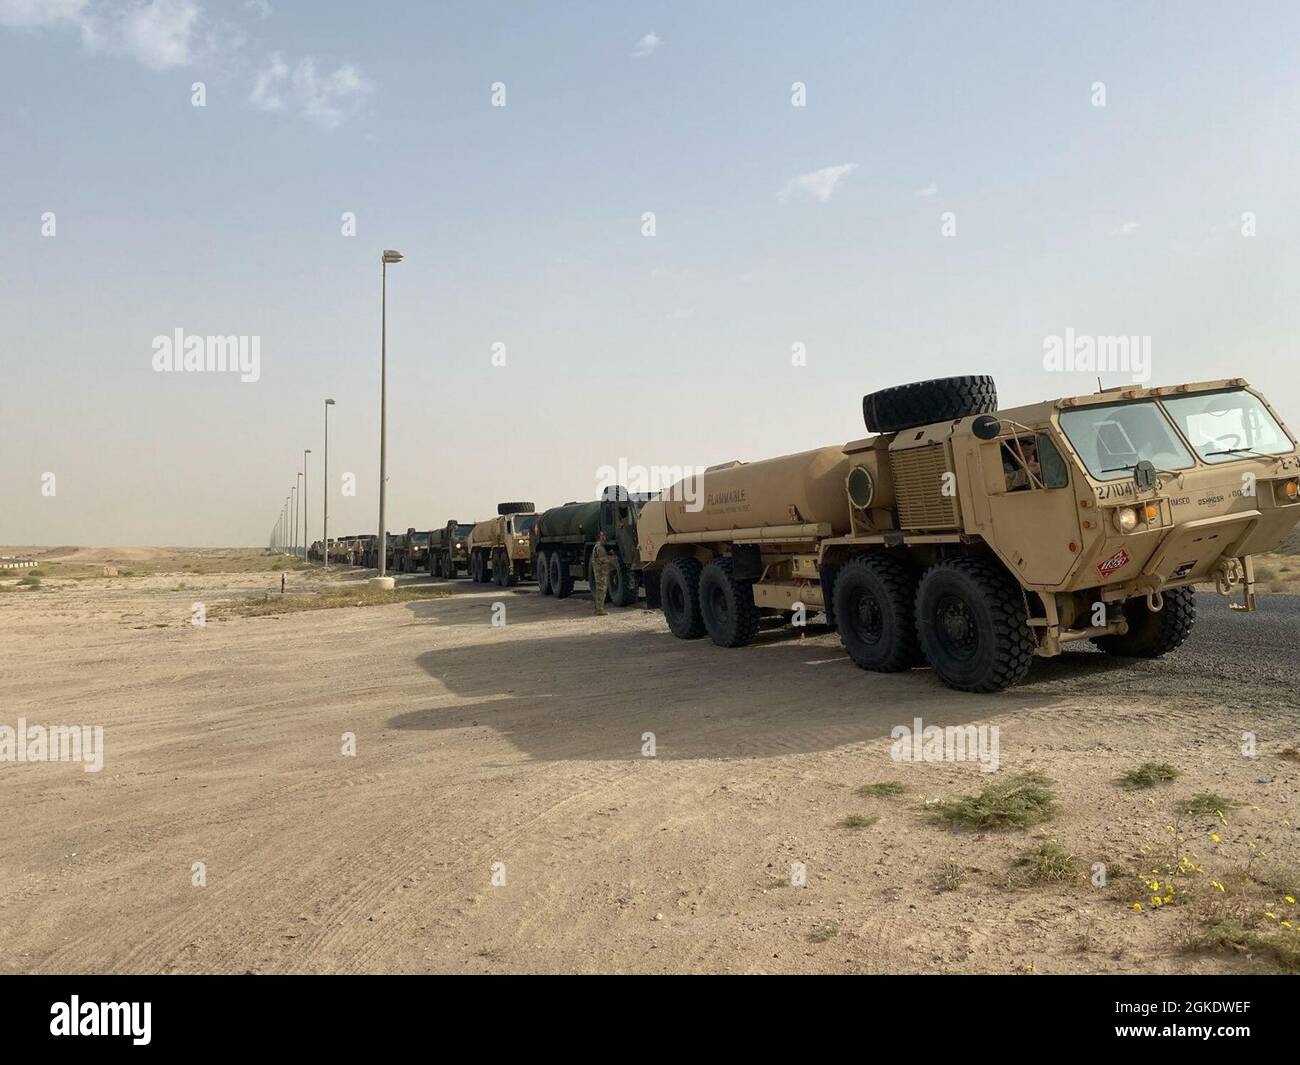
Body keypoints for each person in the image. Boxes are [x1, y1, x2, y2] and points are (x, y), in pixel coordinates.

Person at [589, 532, 613, 616]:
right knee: (601, 590)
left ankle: (598, 608)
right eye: (603, 536)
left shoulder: (598, 546)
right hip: (600, 573)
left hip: (600, 572)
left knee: (600, 590)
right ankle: (599, 610)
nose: (605, 538)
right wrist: (612, 558)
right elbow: (603, 559)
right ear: (600, 537)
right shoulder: (599, 547)